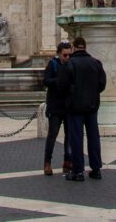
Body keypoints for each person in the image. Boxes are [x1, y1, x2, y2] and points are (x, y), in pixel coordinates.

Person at [58, 36, 107, 182]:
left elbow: (62, 85)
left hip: (74, 107)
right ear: (85, 47)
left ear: (73, 47)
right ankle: (96, 169)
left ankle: (78, 172)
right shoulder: (95, 63)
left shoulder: (70, 64)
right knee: (93, 137)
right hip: (92, 106)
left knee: (76, 138)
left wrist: (70, 96)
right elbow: (102, 85)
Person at [42, 41, 74, 175]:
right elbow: (45, 80)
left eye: (69, 55)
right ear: (59, 54)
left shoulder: (72, 65)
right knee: (52, 135)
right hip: (55, 106)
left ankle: (67, 161)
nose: (67, 58)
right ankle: (47, 162)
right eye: (65, 55)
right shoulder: (53, 64)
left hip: (68, 105)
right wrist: (58, 81)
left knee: (69, 136)